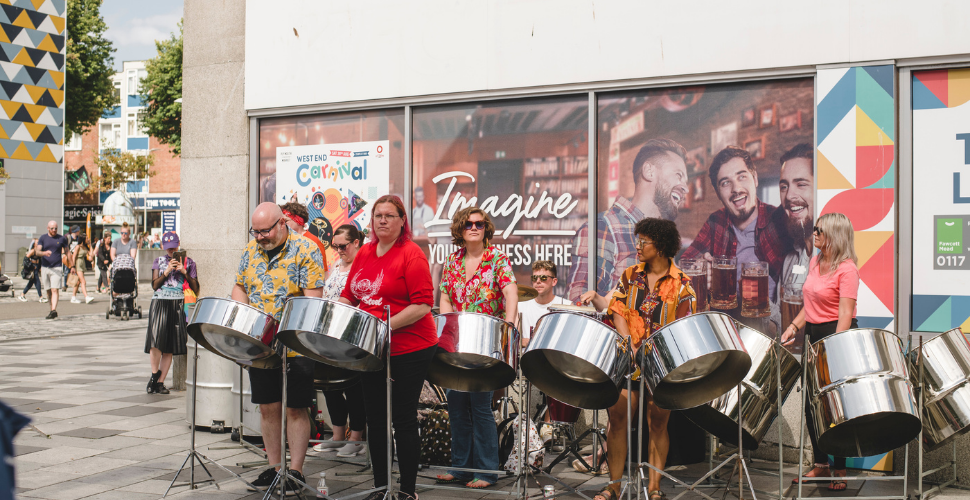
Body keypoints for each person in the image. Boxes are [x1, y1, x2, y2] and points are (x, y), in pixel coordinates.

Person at [338, 195, 437, 500]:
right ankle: (381, 487)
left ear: (402, 221)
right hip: (373, 347)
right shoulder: (365, 252)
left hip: (410, 346)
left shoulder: (412, 254)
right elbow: (349, 296)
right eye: (378, 215)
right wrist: (340, 320)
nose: (382, 220)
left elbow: (422, 305)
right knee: (375, 419)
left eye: (389, 215)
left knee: (402, 418)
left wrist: (382, 327)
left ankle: (407, 491)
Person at [595, 218, 697, 500]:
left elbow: (683, 328)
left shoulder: (683, 285)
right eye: (637, 240)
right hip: (629, 362)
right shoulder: (630, 275)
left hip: (660, 366)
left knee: (657, 423)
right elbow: (616, 308)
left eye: (644, 242)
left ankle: (654, 488)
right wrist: (629, 342)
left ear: (661, 246)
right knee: (617, 419)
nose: (637, 246)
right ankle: (614, 485)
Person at [233, 203, 326, 491]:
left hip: (295, 345)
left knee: (296, 408)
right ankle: (274, 468)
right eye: (256, 231)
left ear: (283, 222)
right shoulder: (250, 251)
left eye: (266, 231)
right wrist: (239, 315)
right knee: (268, 407)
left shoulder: (306, 250)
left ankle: (295, 472)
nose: (260, 237)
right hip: (260, 345)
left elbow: (313, 299)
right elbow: (240, 286)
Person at [434, 207, 517, 489]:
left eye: (479, 224)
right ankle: (460, 468)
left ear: (486, 228)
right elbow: (445, 296)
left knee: (480, 407)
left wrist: (508, 329)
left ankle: (486, 471)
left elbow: (510, 293)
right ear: (460, 229)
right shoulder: (453, 261)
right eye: (468, 224)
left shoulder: (497, 259)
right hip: (457, 343)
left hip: (485, 344)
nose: (473, 228)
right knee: (456, 405)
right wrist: (446, 327)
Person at [782, 212, 860, 492]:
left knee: (835, 406)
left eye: (819, 230)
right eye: (815, 229)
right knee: (811, 404)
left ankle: (840, 467)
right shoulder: (815, 261)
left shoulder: (847, 269)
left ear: (835, 236)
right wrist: (793, 326)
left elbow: (845, 314)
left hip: (836, 336)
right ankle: (821, 463)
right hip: (813, 335)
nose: (813, 233)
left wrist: (834, 350)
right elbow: (810, 305)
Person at [567, 139, 690, 302]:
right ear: (649, 171)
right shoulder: (603, 228)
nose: (686, 188)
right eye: (678, 175)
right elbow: (579, 311)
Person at [680, 147, 791, 306]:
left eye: (742, 177)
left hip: (770, 325)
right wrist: (699, 268)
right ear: (718, 194)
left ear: (755, 179)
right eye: (725, 183)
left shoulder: (780, 220)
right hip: (725, 321)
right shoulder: (715, 222)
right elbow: (685, 265)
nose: (736, 189)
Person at [311, 224, 367, 458]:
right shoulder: (336, 265)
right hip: (330, 331)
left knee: (352, 387)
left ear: (356, 243)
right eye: (336, 246)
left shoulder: (362, 266)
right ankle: (336, 435)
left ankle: (356, 438)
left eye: (343, 246)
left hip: (349, 332)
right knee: (330, 386)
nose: (339, 250)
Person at [146, 232, 198, 395]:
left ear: (178, 245)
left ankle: (160, 383)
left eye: (174, 248)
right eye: (168, 248)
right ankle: (155, 375)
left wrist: (184, 272)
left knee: (170, 345)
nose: (171, 251)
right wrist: (167, 271)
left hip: (177, 302)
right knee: (156, 340)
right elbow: (155, 285)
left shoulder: (189, 263)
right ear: (163, 247)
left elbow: (196, 288)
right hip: (159, 302)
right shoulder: (159, 261)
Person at [778, 144, 815, 290]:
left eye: (801, 184)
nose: (789, 196)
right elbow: (782, 313)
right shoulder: (790, 260)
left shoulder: (840, 261)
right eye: (784, 187)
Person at [281, 201, 329, 272]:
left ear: (298, 221)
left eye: (286, 221)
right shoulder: (284, 240)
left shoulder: (314, 241)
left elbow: (323, 272)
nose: (283, 224)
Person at [37, 221, 68, 319]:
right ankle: (52, 310)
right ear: (48, 228)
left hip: (57, 267)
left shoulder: (62, 238)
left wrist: (72, 266)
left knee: (55, 289)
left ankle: (53, 309)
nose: (54, 230)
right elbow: (37, 251)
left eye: (55, 228)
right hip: (45, 267)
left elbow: (68, 253)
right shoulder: (43, 238)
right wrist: (44, 253)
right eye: (52, 228)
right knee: (49, 291)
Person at [68, 234, 94, 304]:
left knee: (78, 282)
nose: (88, 239)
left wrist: (90, 245)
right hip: (78, 264)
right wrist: (73, 266)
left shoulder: (85, 247)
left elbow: (91, 256)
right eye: (87, 238)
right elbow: (74, 256)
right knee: (83, 281)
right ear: (83, 239)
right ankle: (86, 297)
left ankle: (73, 297)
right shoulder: (78, 247)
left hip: (82, 264)